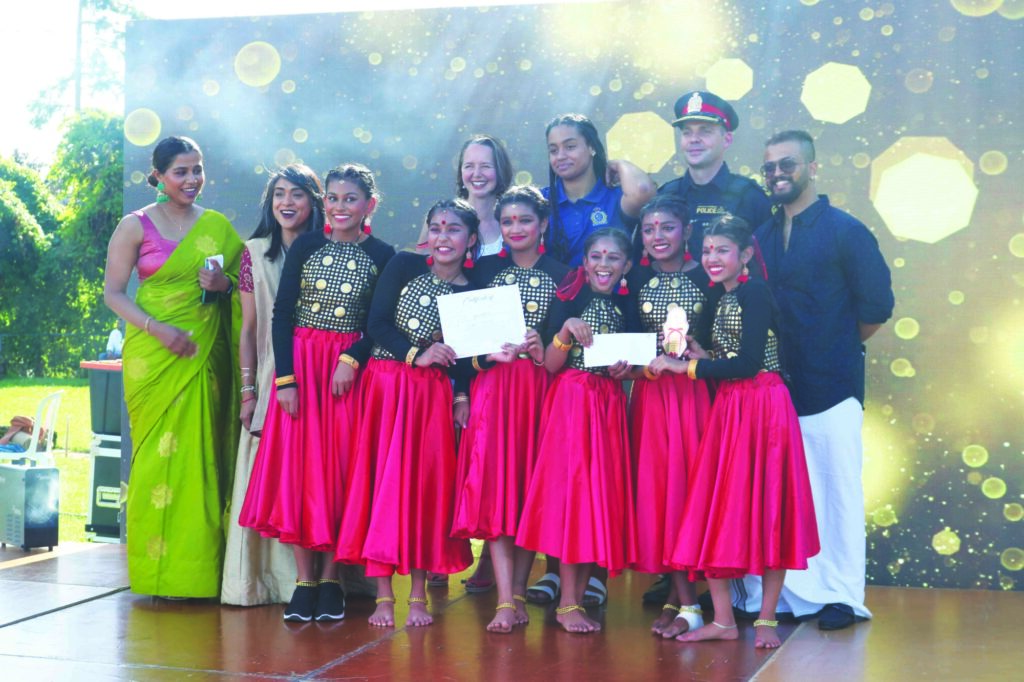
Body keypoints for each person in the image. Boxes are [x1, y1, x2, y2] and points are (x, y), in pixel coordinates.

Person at [735, 130, 895, 631]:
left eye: (788, 164)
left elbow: (876, 308)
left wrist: (837, 345)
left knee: (835, 490)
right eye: (769, 167)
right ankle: (776, 597)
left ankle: (840, 596)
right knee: (776, 495)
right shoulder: (757, 239)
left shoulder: (846, 231)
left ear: (811, 167)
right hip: (772, 392)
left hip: (831, 385)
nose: (777, 174)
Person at [238, 163, 395, 622]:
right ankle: (304, 580)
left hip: (347, 376)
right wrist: (284, 380)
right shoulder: (307, 244)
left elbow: (381, 323)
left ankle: (332, 579)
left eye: (350, 199)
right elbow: (281, 315)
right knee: (300, 471)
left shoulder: (385, 254)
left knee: (341, 472)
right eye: (333, 198)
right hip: (302, 371)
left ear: (370, 205)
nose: (340, 207)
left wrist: (354, 357)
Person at [662, 214, 819, 649]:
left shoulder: (755, 293)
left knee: (769, 507)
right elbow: (728, 356)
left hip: (763, 405)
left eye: (722, 251)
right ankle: (725, 621)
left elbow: (749, 363)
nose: (712, 258)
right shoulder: (722, 297)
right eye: (707, 250)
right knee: (716, 506)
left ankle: (766, 619)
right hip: (731, 406)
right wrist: (700, 352)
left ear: (746, 256)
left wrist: (684, 366)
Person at [103, 135, 242, 598]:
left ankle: (199, 573)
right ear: (159, 176)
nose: (192, 180)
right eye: (181, 171)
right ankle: (155, 574)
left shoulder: (218, 227)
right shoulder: (135, 226)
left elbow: (249, 290)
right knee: (155, 464)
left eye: (197, 169)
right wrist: (156, 328)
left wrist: (223, 285)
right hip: (153, 356)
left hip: (205, 355)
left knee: (200, 459)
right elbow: (113, 293)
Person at [340, 198, 476, 628]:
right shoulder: (403, 265)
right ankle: (384, 594)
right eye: (436, 228)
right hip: (385, 385)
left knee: (424, 490)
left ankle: (417, 594)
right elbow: (376, 325)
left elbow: (468, 357)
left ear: (471, 239)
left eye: (453, 229)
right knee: (382, 485)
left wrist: (461, 397)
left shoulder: (474, 292)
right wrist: (418, 352)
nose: (442, 237)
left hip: (432, 397)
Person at [452, 186, 570, 633]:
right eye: (508, 222)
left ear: (541, 225)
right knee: (500, 490)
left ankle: (520, 591)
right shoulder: (483, 270)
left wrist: (546, 347)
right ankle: (505, 599)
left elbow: (567, 349)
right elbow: (465, 346)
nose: (516, 228)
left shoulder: (564, 275)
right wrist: (475, 375)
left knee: (528, 494)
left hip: (542, 392)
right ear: (498, 229)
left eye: (525, 220)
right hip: (494, 392)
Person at [515, 227, 639, 634]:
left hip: (608, 406)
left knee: (597, 500)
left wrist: (628, 369)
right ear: (584, 263)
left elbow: (636, 362)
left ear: (627, 265)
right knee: (575, 499)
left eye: (613, 258)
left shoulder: (629, 307)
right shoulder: (567, 300)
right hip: (572, 404)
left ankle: (577, 597)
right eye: (596, 257)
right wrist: (566, 331)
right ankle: (568, 603)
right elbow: (550, 365)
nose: (604, 265)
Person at [221, 164, 323, 607]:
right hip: (273, 377)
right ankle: (268, 580)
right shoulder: (255, 253)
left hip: (325, 377)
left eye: (297, 194)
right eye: (279, 193)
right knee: (274, 476)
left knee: (321, 474)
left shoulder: (330, 250)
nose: (286, 202)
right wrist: (248, 392)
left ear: (314, 202)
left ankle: (330, 581)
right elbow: (249, 330)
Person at [626, 196, 712, 638]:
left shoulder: (709, 277)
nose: (658, 237)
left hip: (698, 398)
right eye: (649, 229)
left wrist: (700, 356)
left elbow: (724, 342)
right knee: (661, 495)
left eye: (668, 228)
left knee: (694, 492)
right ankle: (680, 598)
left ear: (688, 232)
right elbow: (624, 342)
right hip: (652, 398)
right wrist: (635, 366)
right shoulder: (634, 278)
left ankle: (688, 602)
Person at [653, 91, 772, 265]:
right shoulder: (665, 197)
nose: (694, 139)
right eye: (687, 133)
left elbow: (767, 266)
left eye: (705, 131)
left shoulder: (751, 197)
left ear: (727, 140)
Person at [543, 113, 655, 267]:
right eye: (553, 150)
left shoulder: (615, 198)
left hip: (612, 291)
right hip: (552, 291)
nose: (560, 156)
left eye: (570, 147)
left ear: (592, 147)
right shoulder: (541, 201)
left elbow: (642, 190)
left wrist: (618, 164)